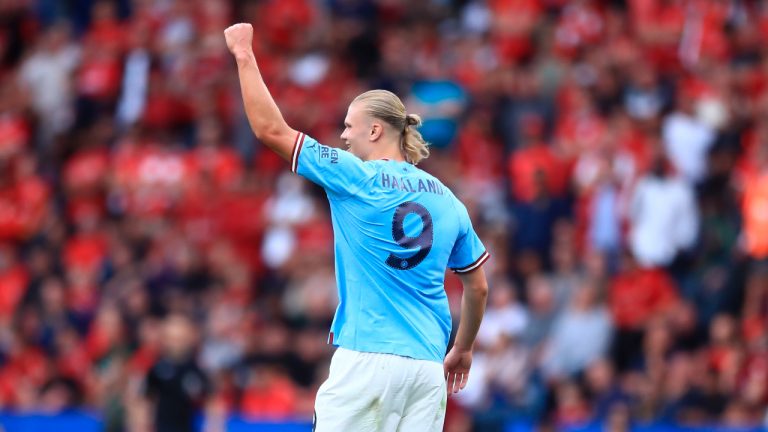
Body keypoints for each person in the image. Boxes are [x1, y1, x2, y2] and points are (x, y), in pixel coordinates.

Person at [224, 23, 490, 432]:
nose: (344, 136)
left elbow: (270, 130)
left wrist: (244, 54)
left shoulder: (356, 176)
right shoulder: (449, 200)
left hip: (368, 358)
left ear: (375, 130)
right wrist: (464, 349)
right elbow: (478, 287)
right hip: (427, 370)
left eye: (349, 126)